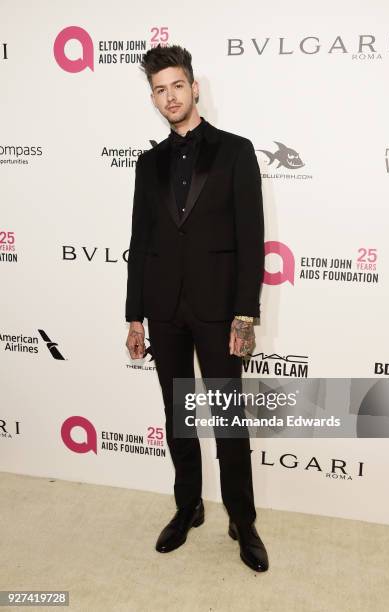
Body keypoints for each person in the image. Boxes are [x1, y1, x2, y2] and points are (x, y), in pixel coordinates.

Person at [125, 44, 268, 572]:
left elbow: (250, 238)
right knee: (178, 417)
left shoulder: (235, 151)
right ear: (154, 97)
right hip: (164, 311)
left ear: (194, 87)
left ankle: (242, 519)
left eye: (176, 85)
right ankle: (188, 507)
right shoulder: (148, 162)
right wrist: (134, 314)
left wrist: (244, 313)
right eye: (159, 89)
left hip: (218, 311)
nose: (169, 96)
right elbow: (139, 241)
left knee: (229, 421)